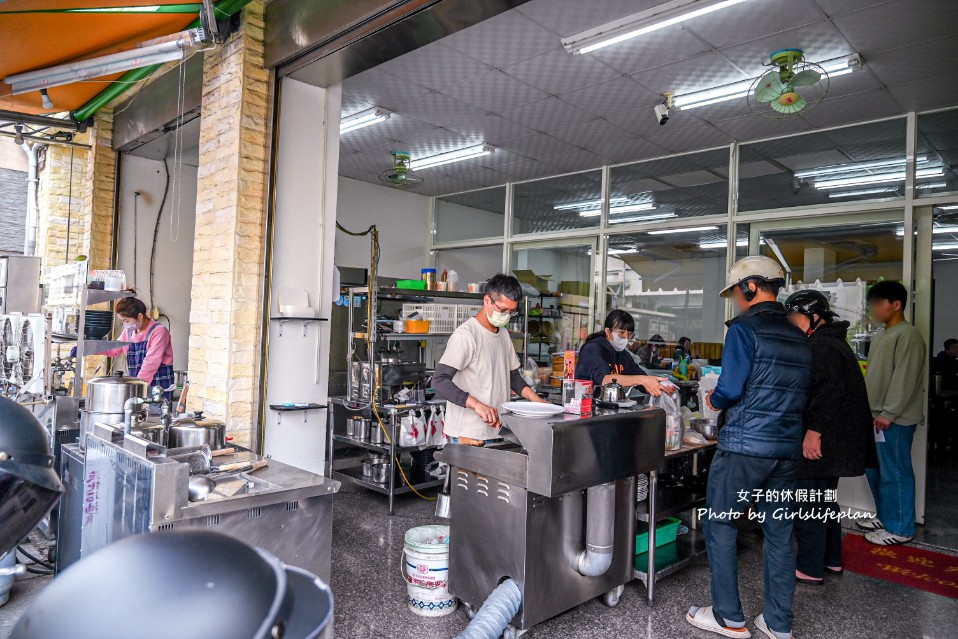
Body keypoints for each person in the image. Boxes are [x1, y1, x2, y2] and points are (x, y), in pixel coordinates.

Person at [686, 256, 810, 639]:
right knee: (779, 532)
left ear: (751, 287)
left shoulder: (743, 329)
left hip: (744, 447)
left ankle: (728, 617)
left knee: (720, 524)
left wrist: (714, 400)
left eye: (738, 293)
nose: (737, 301)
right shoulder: (798, 335)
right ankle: (778, 623)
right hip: (786, 449)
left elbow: (731, 389)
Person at [784, 290, 877, 585]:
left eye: (794, 317)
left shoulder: (821, 347)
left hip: (822, 440)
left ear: (813, 317)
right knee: (823, 501)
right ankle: (831, 559)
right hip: (835, 441)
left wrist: (813, 433)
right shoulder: (834, 343)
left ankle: (809, 567)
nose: (791, 323)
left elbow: (827, 393)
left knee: (807, 503)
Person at [432, 274, 548, 446]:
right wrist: (477, 405)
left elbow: (513, 377)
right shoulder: (466, 336)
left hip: (496, 429)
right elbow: (439, 381)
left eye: (511, 312)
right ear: (487, 300)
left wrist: (537, 401)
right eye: (502, 310)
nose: (507, 316)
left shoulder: (502, 334)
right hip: (468, 434)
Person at [858, 281, 926, 546]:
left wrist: (889, 412)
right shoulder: (883, 334)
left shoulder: (907, 335)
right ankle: (886, 517)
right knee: (876, 470)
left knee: (895, 472)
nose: (873, 309)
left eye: (877, 303)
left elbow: (905, 378)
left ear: (896, 304)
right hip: (877, 417)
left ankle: (900, 528)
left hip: (892, 420)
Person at [94, 295, 175, 401]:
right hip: (139, 385)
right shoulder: (129, 332)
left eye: (126, 320)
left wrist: (137, 388)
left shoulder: (159, 331)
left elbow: (150, 363)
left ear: (140, 316)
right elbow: (113, 349)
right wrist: (90, 348)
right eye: (122, 321)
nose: (124, 324)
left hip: (158, 388)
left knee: (155, 416)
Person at [574, 310, 668, 396]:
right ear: (608, 331)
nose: (626, 338)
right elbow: (605, 379)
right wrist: (642, 380)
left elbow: (636, 373)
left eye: (629, 334)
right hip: (586, 407)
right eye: (622, 332)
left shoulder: (621, 353)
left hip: (609, 406)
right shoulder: (592, 349)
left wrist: (659, 386)